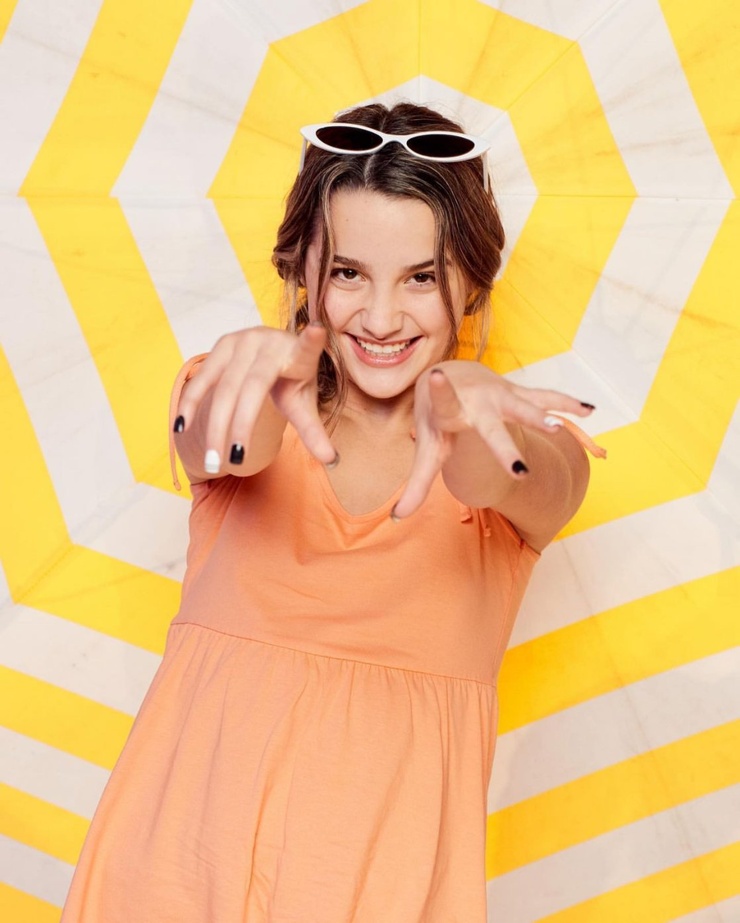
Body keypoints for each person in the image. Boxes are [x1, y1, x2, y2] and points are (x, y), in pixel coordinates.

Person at [61, 102, 603, 922]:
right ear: (301, 271)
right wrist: (251, 376)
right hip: (166, 883)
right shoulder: (238, 397)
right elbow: (219, 442)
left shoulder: (520, 446)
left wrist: (470, 411)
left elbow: (524, 477)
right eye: (348, 273)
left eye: (421, 277)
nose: (381, 318)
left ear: (471, 283)